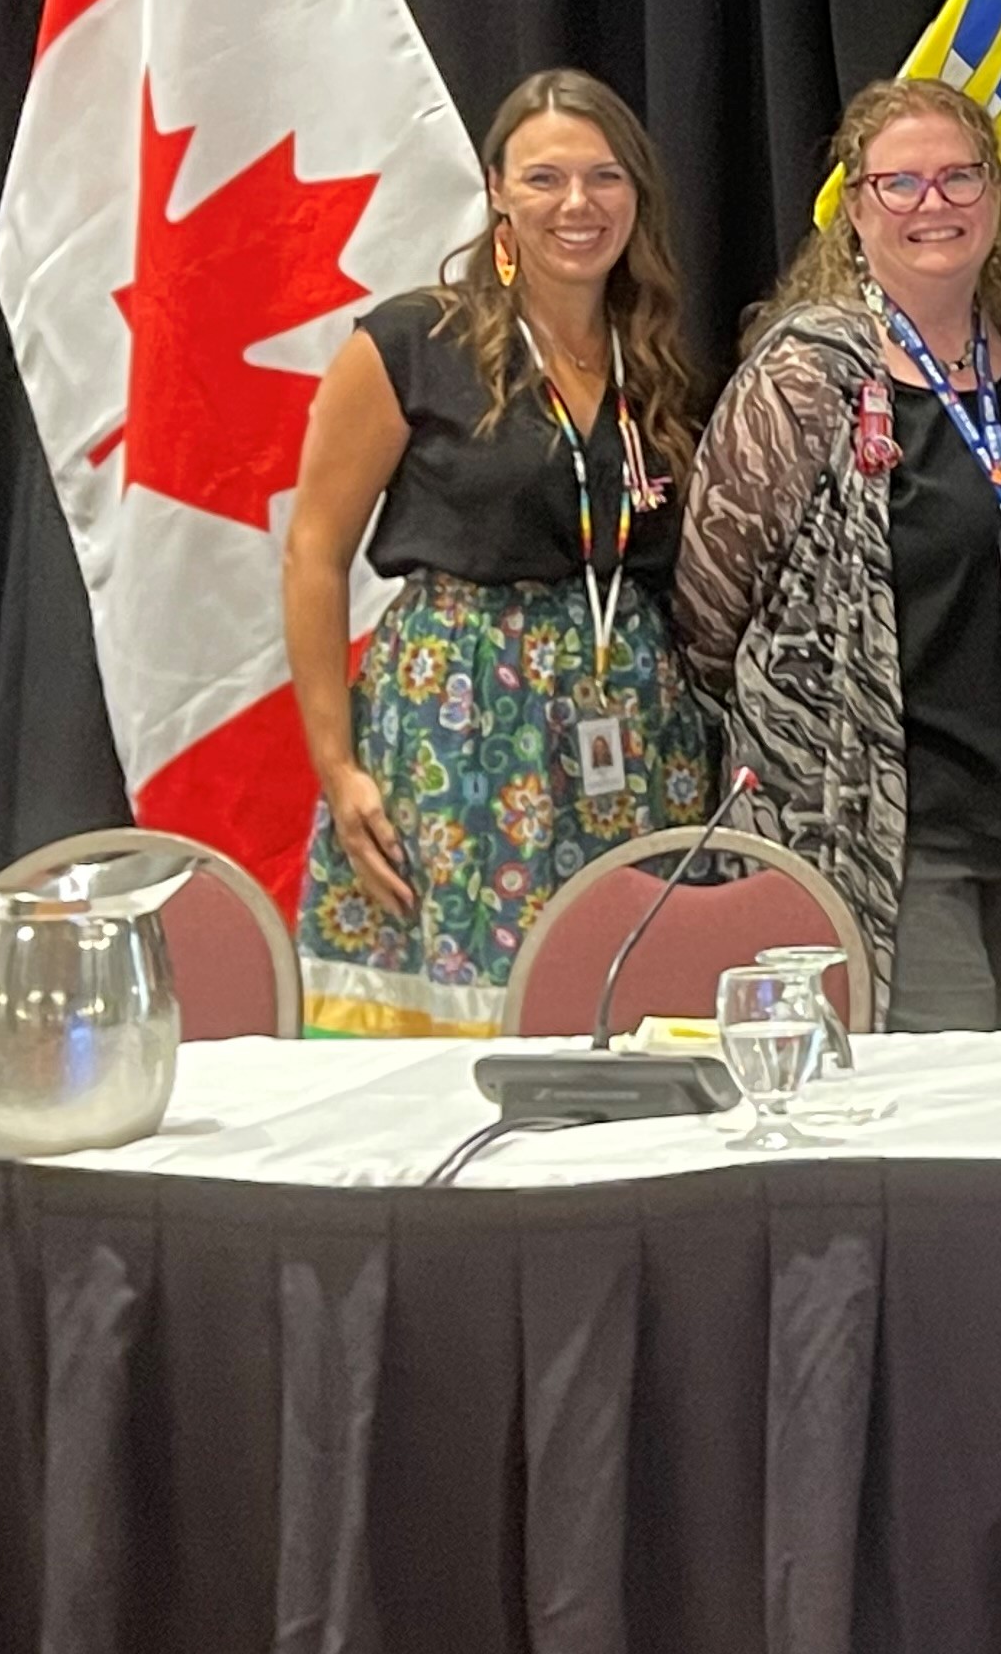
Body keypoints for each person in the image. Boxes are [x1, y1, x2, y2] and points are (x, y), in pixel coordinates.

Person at [675, 78, 1001, 1028]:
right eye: (901, 184)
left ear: (995, 196)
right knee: (948, 1128)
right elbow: (711, 614)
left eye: (960, 179)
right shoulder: (805, 377)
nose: (934, 206)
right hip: (886, 832)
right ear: (855, 208)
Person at [280, 70, 712, 1036]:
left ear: (636, 194)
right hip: (460, 725)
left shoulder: (655, 358)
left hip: (632, 730)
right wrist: (337, 765)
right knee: (477, 1013)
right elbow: (313, 552)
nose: (577, 204)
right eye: (545, 177)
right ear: (497, 191)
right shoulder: (412, 341)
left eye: (604, 178)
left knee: (626, 1004)